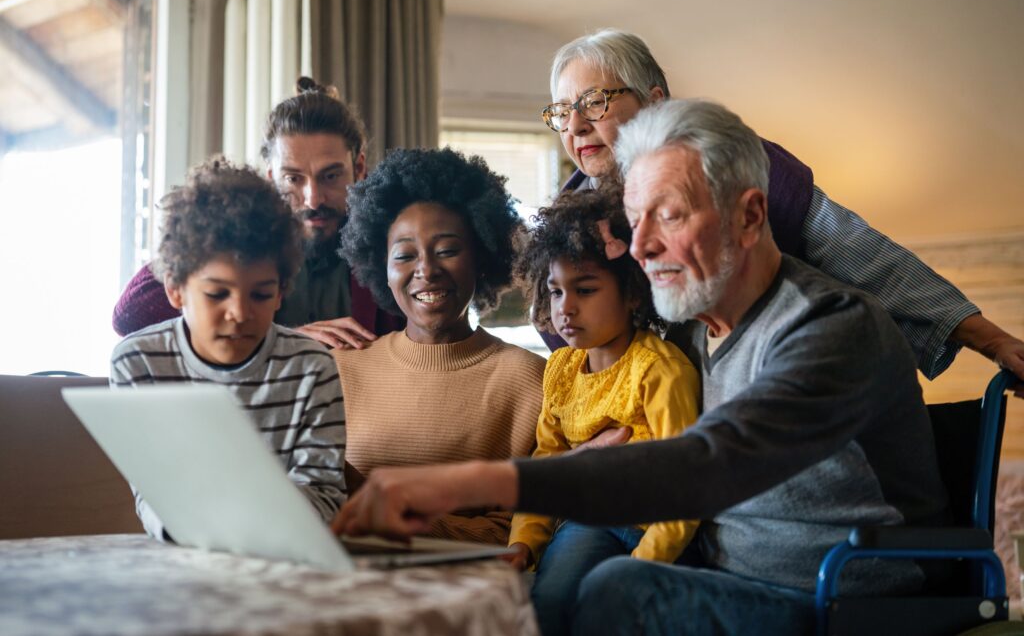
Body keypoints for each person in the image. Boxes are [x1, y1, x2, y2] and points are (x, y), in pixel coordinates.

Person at [332, 99, 953, 635]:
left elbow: (713, 459)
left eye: (671, 214)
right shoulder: (696, 332)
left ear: (751, 215)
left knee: (614, 590)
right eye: (637, 218)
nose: (642, 246)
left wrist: (468, 482)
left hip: (848, 603)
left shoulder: (829, 326)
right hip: (735, 580)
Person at [541, 29, 1024, 384]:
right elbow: (567, 343)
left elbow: (863, 254)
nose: (576, 125)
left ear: (655, 101)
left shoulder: (731, 161)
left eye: (595, 101)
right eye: (562, 112)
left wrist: (993, 340)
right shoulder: (569, 220)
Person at [109, 159, 346, 540]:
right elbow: (153, 497)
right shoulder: (138, 364)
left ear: (282, 292)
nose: (239, 313)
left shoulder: (312, 368)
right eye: (217, 293)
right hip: (185, 553)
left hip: (288, 556)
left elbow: (324, 496)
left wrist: (245, 520)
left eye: (261, 294)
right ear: (175, 289)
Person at [507, 187, 700, 636]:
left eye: (586, 290)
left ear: (634, 293)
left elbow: (687, 486)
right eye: (555, 292)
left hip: (661, 530)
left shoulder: (660, 370)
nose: (565, 308)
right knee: (549, 605)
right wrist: (523, 542)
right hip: (589, 523)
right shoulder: (561, 369)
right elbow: (547, 463)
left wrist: (639, 568)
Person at [332, 147, 545, 544]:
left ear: (481, 257)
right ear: (382, 267)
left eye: (447, 250)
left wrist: (405, 519)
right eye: (405, 255)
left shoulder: (529, 381)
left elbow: (523, 533)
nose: (426, 271)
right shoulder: (340, 369)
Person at [111, 77, 403, 349]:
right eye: (293, 179)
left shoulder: (391, 248)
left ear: (360, 168)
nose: (313, 199)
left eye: (330, 176)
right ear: (270, 177)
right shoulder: (243, 238)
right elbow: (131, 316)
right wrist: (277, 341)